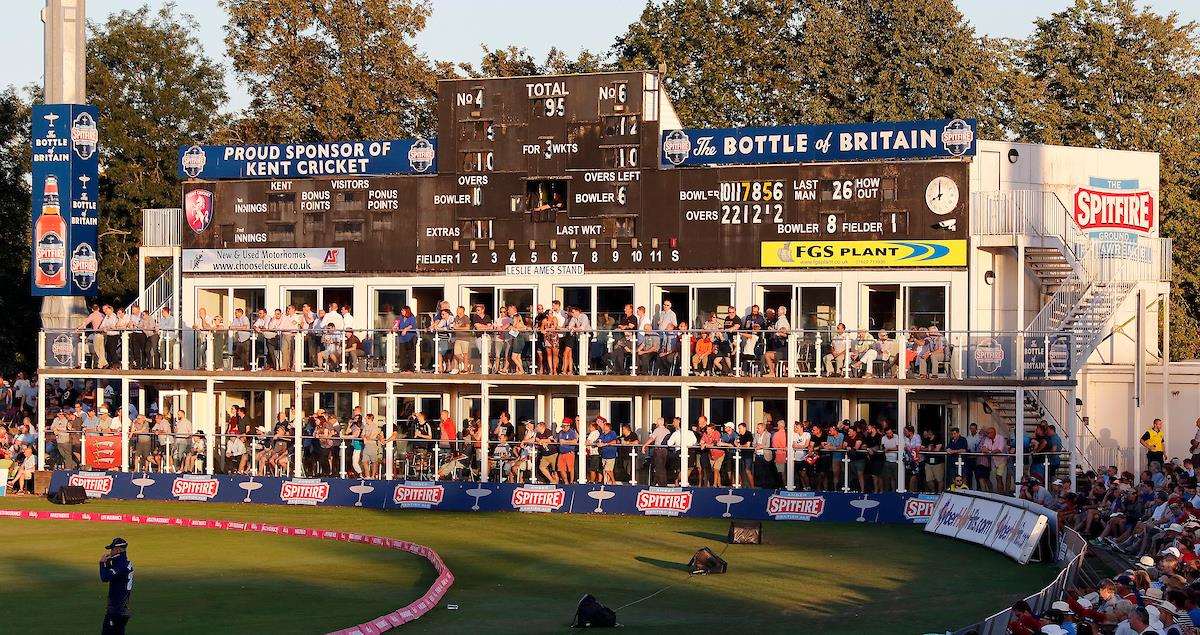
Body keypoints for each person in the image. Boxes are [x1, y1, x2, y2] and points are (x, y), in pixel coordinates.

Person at [99, 537, 133, 635]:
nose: (111, 552)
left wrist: (102, 564)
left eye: (112, 549)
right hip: (122, 609)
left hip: (116, 610)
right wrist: (108, 563)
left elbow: (105, 577)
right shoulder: (125, 563)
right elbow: (115, 576)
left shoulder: (121, 565)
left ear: (118, 550)